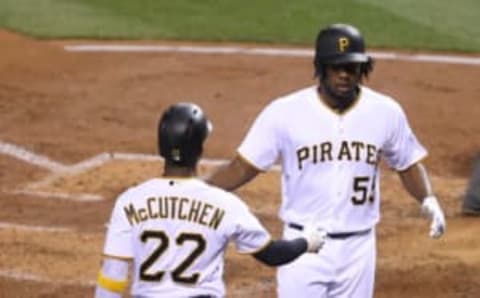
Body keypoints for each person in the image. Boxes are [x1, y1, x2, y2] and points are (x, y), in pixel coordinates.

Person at [206, 23, 446, 298]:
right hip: (303, 247)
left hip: (359, 249)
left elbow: (407, 162)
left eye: (352, 67)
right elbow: (242, 167)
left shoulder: (385, 112)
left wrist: (428, 199)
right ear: (321, 67)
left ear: (362, 68)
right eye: (336, 67)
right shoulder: (285, 113)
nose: (344, 75)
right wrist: (197, 190)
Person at [95, 102, 327, 298]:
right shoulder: (224, 203)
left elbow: (112, 277)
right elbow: (274, 254)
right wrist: (307, 241)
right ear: (199, 150)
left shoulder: (130, 201)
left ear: (161, 147)